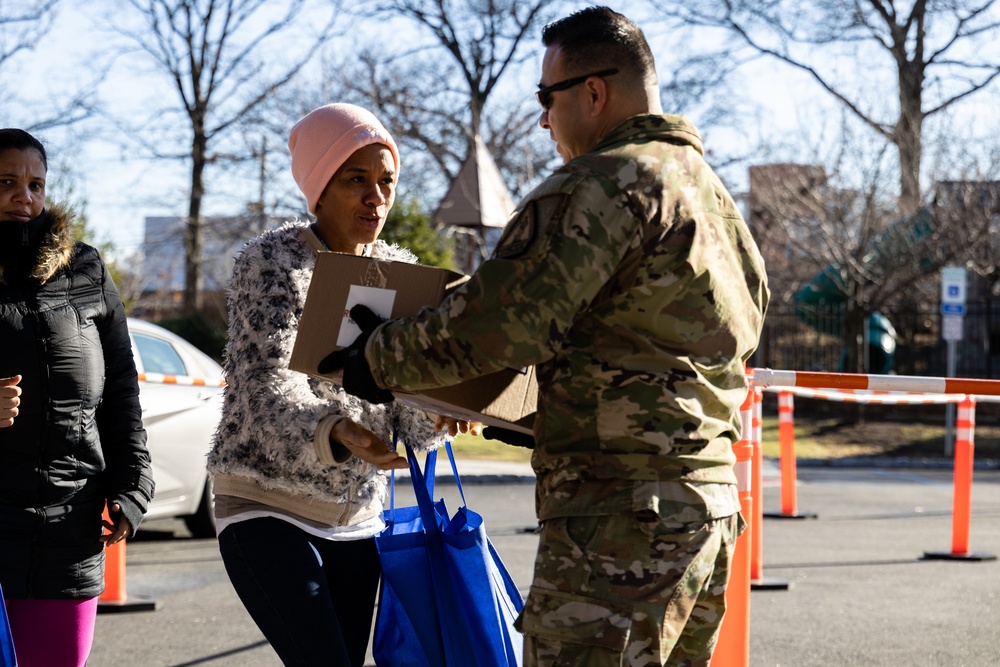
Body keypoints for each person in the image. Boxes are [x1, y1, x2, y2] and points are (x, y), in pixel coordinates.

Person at [323, 6, 770, 666]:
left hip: (617, 520)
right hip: (708, 513)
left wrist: (378, 356)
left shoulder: (600, 184)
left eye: (546, 97)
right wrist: (522, 417)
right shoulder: (715, 201)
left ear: (593, 92)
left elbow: (501, 322)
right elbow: (648, 357)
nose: (542, 118)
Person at [207, 103, 472, 667]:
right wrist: (335, 430)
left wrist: (442, 413)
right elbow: (262, 389)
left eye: (387, 181)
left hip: (358, 521)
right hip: (264, 507)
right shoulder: (271, 263)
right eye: (357, 180)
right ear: (320, 188)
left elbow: (406, 411)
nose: (376, 197)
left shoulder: (403, 273)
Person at [0, 128, 155, 667]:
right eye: (7, 183)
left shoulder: (84, 268)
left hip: (72, 527)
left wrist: (132, 486)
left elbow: (120, 391)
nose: (25, 196)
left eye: (36, 184)